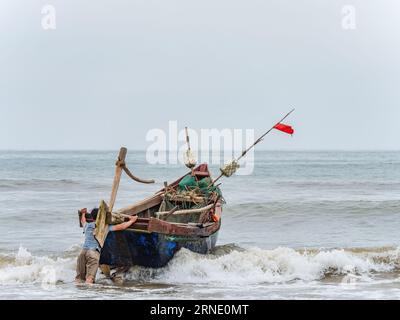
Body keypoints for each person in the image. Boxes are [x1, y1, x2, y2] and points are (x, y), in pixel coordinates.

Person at [75, 207, 137, 284]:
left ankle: (76, 294)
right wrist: (132, 220)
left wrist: (83, 213)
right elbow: (122, 226)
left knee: (79, 279)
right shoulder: (104, 227)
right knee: (89, 279)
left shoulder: (87, 226)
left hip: (83, 252)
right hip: (93, 253)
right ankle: (89, 295)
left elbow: (83, 221)